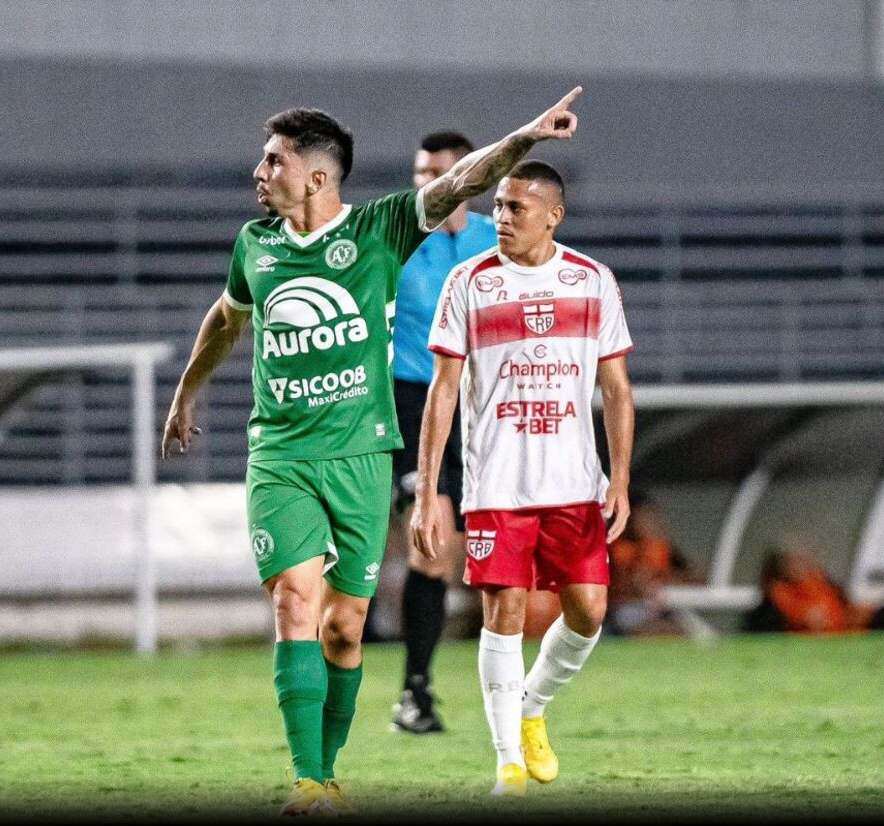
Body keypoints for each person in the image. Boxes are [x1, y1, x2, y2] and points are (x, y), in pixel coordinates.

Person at [161, 87, 584, 816]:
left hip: (361, 453)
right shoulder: (252, 245)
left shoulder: (383, 228)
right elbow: (227, 318)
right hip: (281, 455)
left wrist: (525, 138)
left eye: (273, 160)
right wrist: (185, 393)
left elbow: (464, 183)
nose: (258, 171)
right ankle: (306, 780)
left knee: (344, 626)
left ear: (317, 177)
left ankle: (328, 770)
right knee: (296, 600)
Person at [412, 159, 634, 797]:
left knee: (589, 612)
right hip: (497, 485)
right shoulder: (469, 282)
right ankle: (508, 761)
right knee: (503, 611)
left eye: (516, 208)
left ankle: (532, 705)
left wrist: (618, 478)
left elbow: (615, 389)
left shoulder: (591, 281)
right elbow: (443, 392)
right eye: (500, 205)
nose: (501, 217)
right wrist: (429, 491)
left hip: (573, 484)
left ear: (553, 216)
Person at [388, 131, 497, 735]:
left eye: (439, 171)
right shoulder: (397, 240)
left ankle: (503, 696)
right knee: (432, 541)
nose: (425, 181)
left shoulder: (495, 239)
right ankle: (415, 689)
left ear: (469, 177)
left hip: (483, 405)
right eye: (419, 170)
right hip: (411, 402)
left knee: (474, 548)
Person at [744, 544, 884, 634]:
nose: (802, 564)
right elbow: (807, 622)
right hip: (864, 625)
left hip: (864, 616)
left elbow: (842, 602)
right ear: (781, 568)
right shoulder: (781, 593)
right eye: (794, 562)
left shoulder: (816, 579)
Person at [607, 493, 704, 637]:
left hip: (663, 608)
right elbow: (633, 584)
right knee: (659, 631)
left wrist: (668, 580)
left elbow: (697, 577)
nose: (652, 523)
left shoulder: (659, 547)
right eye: (645, 518)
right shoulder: (618, 548)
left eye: (653, 518)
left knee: (698, 633)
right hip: (625, 611)